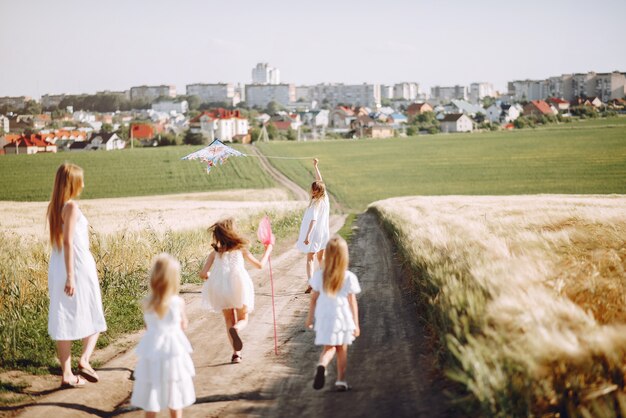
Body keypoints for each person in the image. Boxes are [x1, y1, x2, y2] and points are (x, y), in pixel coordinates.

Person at [47, 163, 107, 388]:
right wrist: (71, 276)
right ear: (73, 183)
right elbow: (69, 241)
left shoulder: (55, 206)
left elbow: (62, 243)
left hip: (58, 264)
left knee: (64, 316)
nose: (84, 184)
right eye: (80, 180)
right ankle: (84, 360)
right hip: (76, 265)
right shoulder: (71, 207)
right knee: (93, 311)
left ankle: (67, 374)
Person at [199, 218, 273, 363]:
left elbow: (203, 274)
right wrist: (268, 250)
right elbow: (259, 265)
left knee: (228, 319)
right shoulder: (240, 250)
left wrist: (211, 277)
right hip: (239, 286)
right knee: (243, 319)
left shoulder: (215, 253)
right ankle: (237, 330)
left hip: (220, 288)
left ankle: (236, 353)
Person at [131, 253, 195, 418]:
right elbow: (184, 324)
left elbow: (147, 326)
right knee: (174, 391)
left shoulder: (147, 303)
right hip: (173, 352)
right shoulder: (178, 302)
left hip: (153, 349)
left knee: (152, 389)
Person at [305, 235, 361, 392]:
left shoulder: (319, 276)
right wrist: (356, 324)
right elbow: (352, 302)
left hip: (325, 315)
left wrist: (310, 318)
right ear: (344, 256)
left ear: (327, 255)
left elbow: (313, 299)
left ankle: (322, 365)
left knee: (328, 349)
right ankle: (341, 381)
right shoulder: (349, 277)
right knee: (341, 349)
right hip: (342, 315)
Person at [296, 158, 330, 293]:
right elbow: (320, 181)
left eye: (313, 189)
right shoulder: (325, 198)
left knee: (310, 258)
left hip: (314, 233)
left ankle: (311, 282)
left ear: (315, 191)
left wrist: (307, 236)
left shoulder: (315, 203)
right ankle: (323, 280)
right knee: (321, 257)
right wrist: (316, 166)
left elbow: (313, 220)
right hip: (324, 233)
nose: (311, 190)